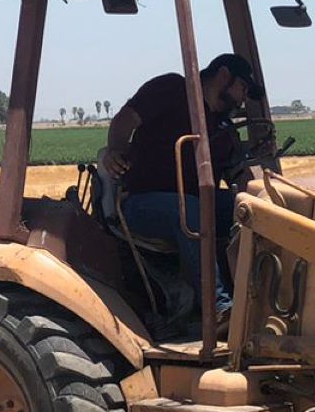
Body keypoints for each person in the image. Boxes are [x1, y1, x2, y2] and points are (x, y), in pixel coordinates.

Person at [99, 53, 264, 319]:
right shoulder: (171, 89)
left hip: (194, 205)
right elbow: (124, 121)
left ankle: (260, 295)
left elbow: (237, 175)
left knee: (252, 208)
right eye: (242, 88)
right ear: (224, 75)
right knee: (192, 209)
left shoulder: (221, 127)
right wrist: (115, 150)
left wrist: (258, 199)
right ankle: (219, 307)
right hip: (140, 204)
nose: (242, 99)